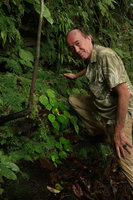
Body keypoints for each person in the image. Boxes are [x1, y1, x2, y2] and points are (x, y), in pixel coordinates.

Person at [64, 27, 133, 189]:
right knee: (75, 100)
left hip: (122, 113)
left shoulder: (105, 56)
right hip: (101, 104)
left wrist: (118, 131)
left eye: (78, 43)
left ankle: (112, 135)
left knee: (126, 163)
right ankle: (101, 134)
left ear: (89, 37)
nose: (76, 50)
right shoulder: (91, 56)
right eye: (72, 48)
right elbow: (91, 68)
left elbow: (124, 94)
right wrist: (75, 76)